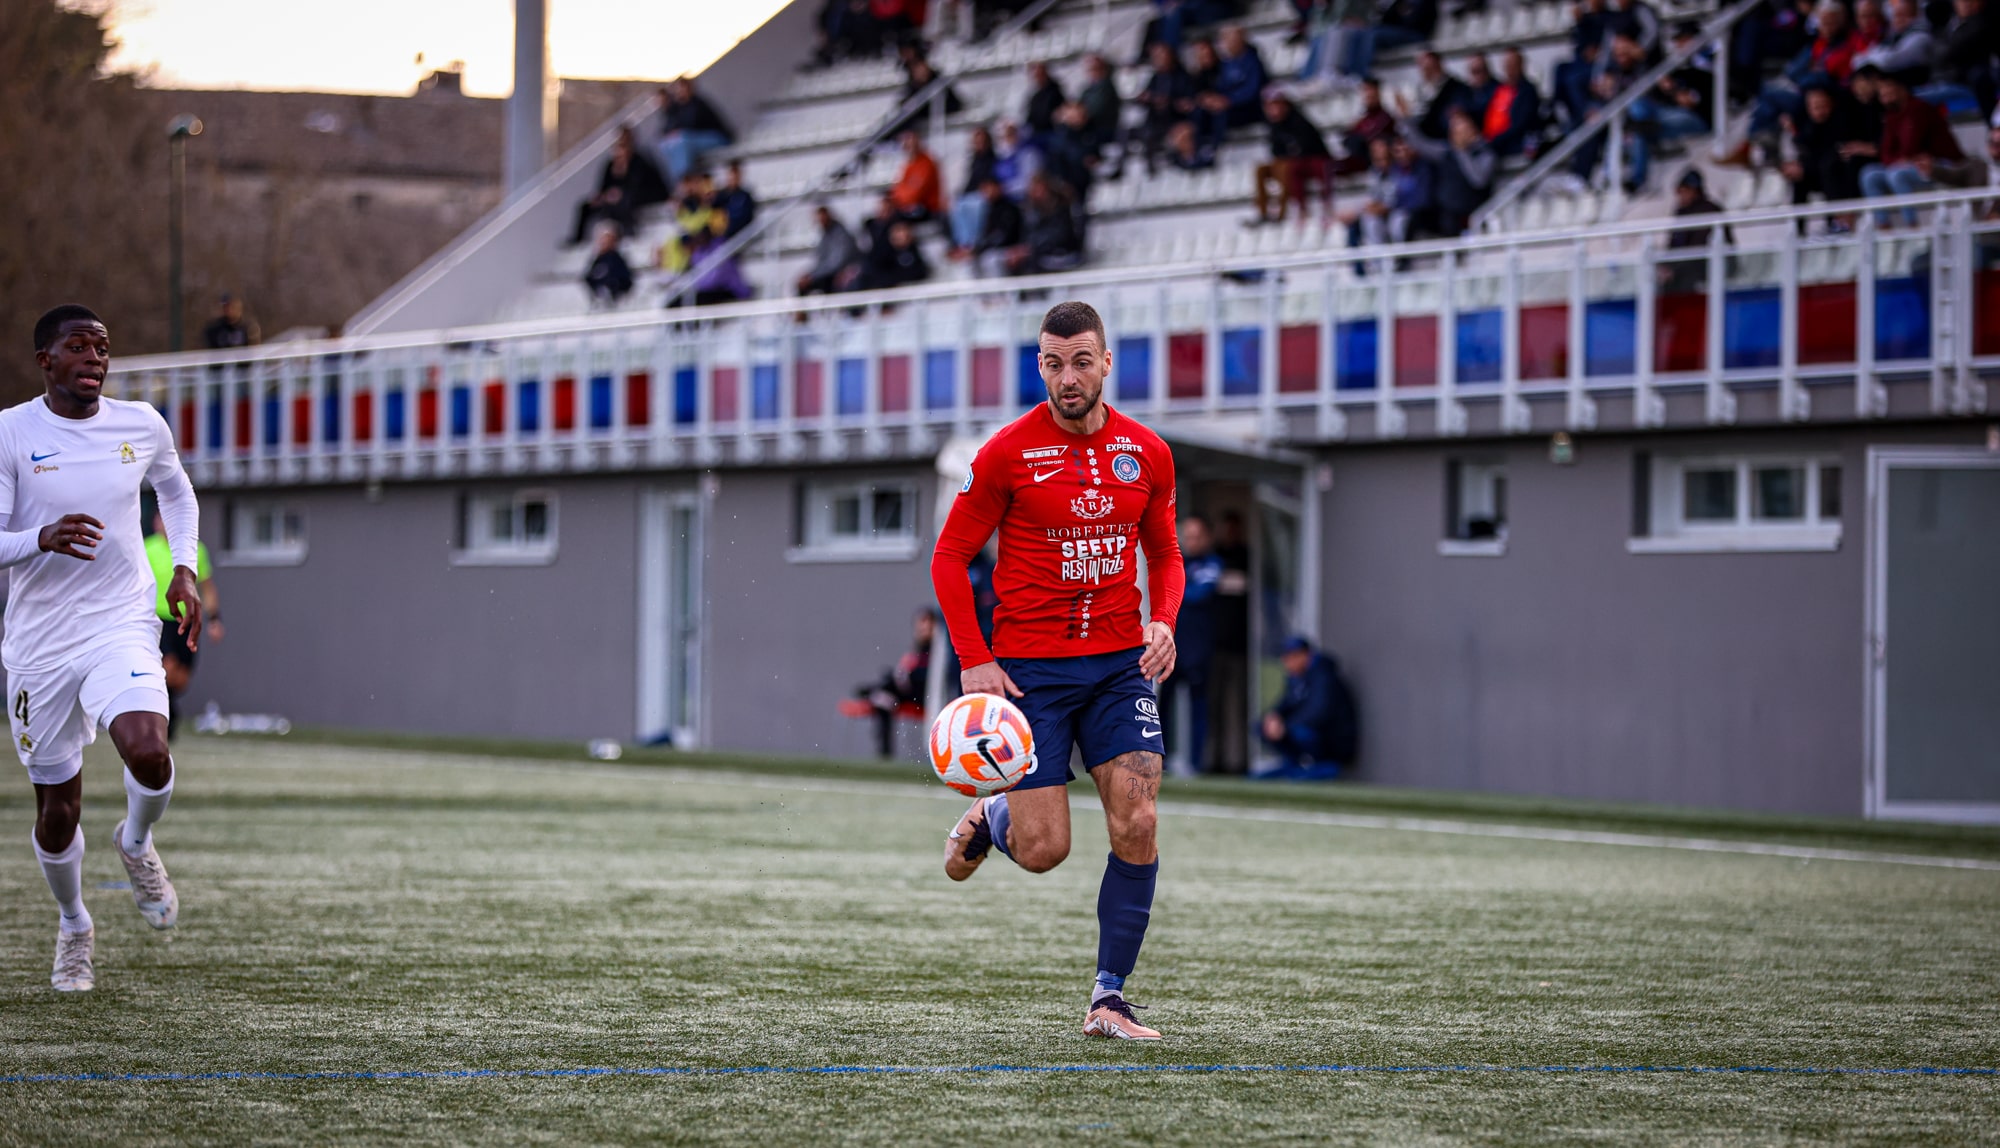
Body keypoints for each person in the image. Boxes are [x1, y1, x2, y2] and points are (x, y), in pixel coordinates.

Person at [930, 300, 1185, 1041]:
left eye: (1080, 361)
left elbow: (1165, 552)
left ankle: (1109, 999)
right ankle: (994, 814)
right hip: (1028, 673)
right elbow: (950, 558)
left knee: (1138, 819)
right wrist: (975, 659)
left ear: (1107, 363)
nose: (1067, 377)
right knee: (1046, 852)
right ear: (1038, 365)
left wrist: (1164, 619)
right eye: (1052, 362)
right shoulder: (1008, 452)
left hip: (1116, 667)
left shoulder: (1150, 452)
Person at [4, 305, 204, 992]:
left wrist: (183, 565)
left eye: (103, 348)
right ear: (46, 362)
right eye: (79, 348)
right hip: (38, 646)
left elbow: (176, 492)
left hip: (118, 621)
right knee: (58, 811)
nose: (95, 359)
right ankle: (74, 925)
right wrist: (40, 538)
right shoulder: (11, 433)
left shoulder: (141, 424)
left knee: (150, 750)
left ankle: (138, 843)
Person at [146, 507, 220, 741]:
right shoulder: (147, 549)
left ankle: (168, 709)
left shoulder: (195, 551)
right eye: (159, 518)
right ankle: (163, 720)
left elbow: (207, 588)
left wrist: (215, 619)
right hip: (158, 619)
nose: (163, 524)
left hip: (187, 618)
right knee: (167, 668)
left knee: (181, 679)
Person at [1861, 64, 1968, 223]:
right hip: (1912, 165)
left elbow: (1911, 147)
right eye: (1881, 92)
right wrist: (1898, 160)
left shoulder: (1919, 109)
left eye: (1888, 90)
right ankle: (1883, 226)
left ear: (1902, 89)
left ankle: (1912, 225)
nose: (1884, 95)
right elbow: (1885, 152)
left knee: (1897, 174)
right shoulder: (1891, 115)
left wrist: (1900, 160)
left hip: (1942, 163)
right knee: (1870, 174)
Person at [1256, 637, 1358, 780]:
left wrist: (1286, 726)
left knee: (1300, 731)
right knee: (1262, 726)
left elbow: (1318, 711)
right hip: (1308, 730)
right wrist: (1274, 716)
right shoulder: (1297, 679)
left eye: (1290, 658)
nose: (1286, 663)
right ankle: (1294, 762)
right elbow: (1286, 704)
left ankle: (1318, 765)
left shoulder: (1323, 676)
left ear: (1304, 655)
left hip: (1333, 741)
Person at [1166, 515, 1222, 774]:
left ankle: (1196, 763)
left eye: (1196, 536)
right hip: (1171, 646)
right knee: (1161, 704)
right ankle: (1162, 758)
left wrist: (1176, 591)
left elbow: (1199, 594)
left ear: (1207, 537)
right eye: (1187, 536)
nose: (1191, 541)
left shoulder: (1212, 563)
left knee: (1198, 706)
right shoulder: (1177, 560)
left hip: (1198, 649)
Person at [855, 608, 936, 758]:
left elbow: (927, 679)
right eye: (920, 625)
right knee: (884, 701)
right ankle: (885, 755)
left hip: (925, 697)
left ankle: (874, 691)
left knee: (888, 686)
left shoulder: (938, 651)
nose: (923, 629)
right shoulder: (917, 650)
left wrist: (904, 676)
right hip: (907, 694)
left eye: (928, 625)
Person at [570, 127, 669, 246]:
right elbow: (602, 187)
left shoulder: (640, 162)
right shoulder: (610, 165)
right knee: (586, 206)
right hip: (615, 198)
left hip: (642, 196)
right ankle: (578, 240)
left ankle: (627, 230)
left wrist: (620, 191)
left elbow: (640, 186)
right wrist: (602, 196)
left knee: (624, 200)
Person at [1407, 106, 1494, 236]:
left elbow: (1478, 180)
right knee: (1414, 217)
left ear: (1472, 128)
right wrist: (1406, 120)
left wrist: (1462, 151)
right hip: (1445, 211)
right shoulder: (1446, 151)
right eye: (1453, 128)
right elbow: (1420, 144)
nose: (1455, 132)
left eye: (1459, 127)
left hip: (1470, 212)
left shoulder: (1485, 153)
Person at [1252, 92, 1334, 224]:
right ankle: (1262, 211)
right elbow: (1275, 150)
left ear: (1284, 105)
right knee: (1261, 169)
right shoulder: (1273, 126)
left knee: (1285, 168)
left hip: (1306, 161)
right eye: (1269, 107)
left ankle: (1281, 213)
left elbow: (1307, 147)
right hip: (1286, 161)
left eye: (1275, 106)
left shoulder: (1298, 121)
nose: (1272, 111)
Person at [1194, 25, 1268, 150]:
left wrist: (1229, 100)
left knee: (1220, 113)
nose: (1227, 45)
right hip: (1228, 103)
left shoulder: (1252, 61)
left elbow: (1253, 89)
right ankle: (1199, 147)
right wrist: (1211, 99)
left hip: (1249, 106)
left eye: (1230, 40)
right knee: (1200, 111)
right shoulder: (1227, 64)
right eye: (1225, 41)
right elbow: (1220, 86)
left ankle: (1217, 148)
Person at [1136, 40, 1200, 175]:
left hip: (1177, 119)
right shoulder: (1155, 78)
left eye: (1162, 55)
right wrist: (1146, 99)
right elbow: (1147, 97)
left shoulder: (1182, 76)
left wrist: (1169, 102)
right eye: (1157, 57)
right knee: (1139, 133)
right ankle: (1151, 171)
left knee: (1181, 134)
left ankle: (1189, 166)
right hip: (1158, 121)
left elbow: (1187, 102)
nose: (1159, 60)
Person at [657, 77, 735, 186]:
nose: (681, 92)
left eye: (683, 88)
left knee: (682, 140)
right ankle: (681, 181)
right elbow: (667, 129)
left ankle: (688, 180)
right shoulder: (677, 108)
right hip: (695, 140)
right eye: (678, 89)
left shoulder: (698, 104)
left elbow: (691, 124)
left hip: (717, 138)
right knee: (666, 144)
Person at [1399, 51, 1473, 141]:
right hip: (1427, 137)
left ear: (1438, 65)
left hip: (1444, 140)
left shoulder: (1456, 88)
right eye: (1423, 68)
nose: (1426, 72)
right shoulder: (1421, 89)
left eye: (1429, 68)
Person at [1486, 47, 1544, 157]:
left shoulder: (1527, 91)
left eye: (1513, 64)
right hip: (1493, 141)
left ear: (1521, 65)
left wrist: (1496, 141)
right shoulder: (1498, 89)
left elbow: (1520, 123)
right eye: (1507, 64)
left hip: (1512, 143)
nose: (1510, 69)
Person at [800, 205, 863, 295]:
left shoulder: (841, 234)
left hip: (839, 272)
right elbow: (820, 261)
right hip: (828, 273)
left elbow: (837, 263)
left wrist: (813, 276)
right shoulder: (824, 236)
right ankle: (800, 308)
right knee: (802, 283)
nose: (820, 222)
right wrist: (810, 275)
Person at [855, 219, 933, 290]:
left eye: (904, 230)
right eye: (898, 231)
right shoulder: (881, 252)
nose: (901, 234)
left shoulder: (915, 250)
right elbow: (875, 274)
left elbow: (921, 272)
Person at [889, 130, 944, 222]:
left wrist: (901, 198)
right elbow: (898, 189)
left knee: (892, 218)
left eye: (909, 139)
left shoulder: (927, 163)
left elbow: (916, 194)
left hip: (928, 208)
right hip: (911, 206)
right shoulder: (909, 165)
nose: (906, 143)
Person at [583, 224, 635, 305]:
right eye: (603, 240)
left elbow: (625, 278)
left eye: (608, 240)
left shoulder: (617, 259)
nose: (604, 243)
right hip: (599, 298)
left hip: (616, 298)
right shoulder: (597, 260)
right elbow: (589, 277)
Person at [710, 160, 757, 239]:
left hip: (742, 235)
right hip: (724, 236)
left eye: (736, 175)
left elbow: (749, 217)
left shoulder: (745, 196)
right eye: (732, 175)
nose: (734, 179)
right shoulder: (720, 196)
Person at [1024, 61, 1068, 137]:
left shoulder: (1055, 92)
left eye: (1039, 74)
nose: (1037, 78)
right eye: (1035, 76)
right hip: (1037, 132)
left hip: (1052, 132)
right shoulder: (1035, 96)